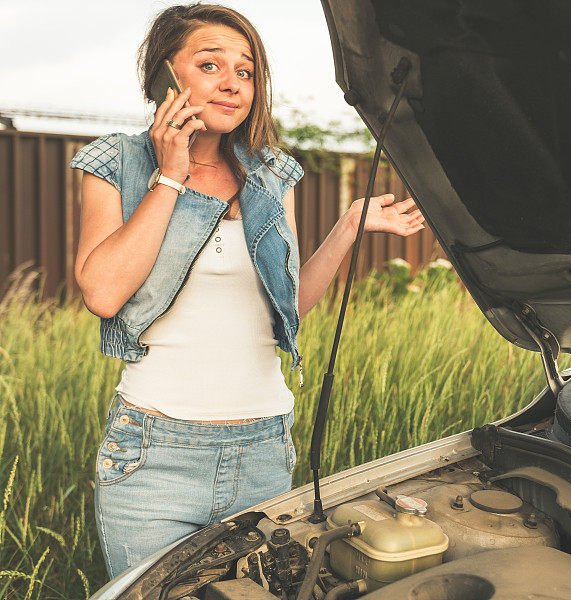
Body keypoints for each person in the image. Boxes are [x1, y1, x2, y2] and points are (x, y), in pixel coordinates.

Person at [69, 2, 425, 580]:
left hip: (263, 449)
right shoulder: (118, 162)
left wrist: (346, 227)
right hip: (153, 456)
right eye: (210, 65)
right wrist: (171, 174)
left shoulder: (271, 173)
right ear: (164, 75)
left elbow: (283, 313)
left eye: (246, 70)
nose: (233, 83)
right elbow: (103, 294)